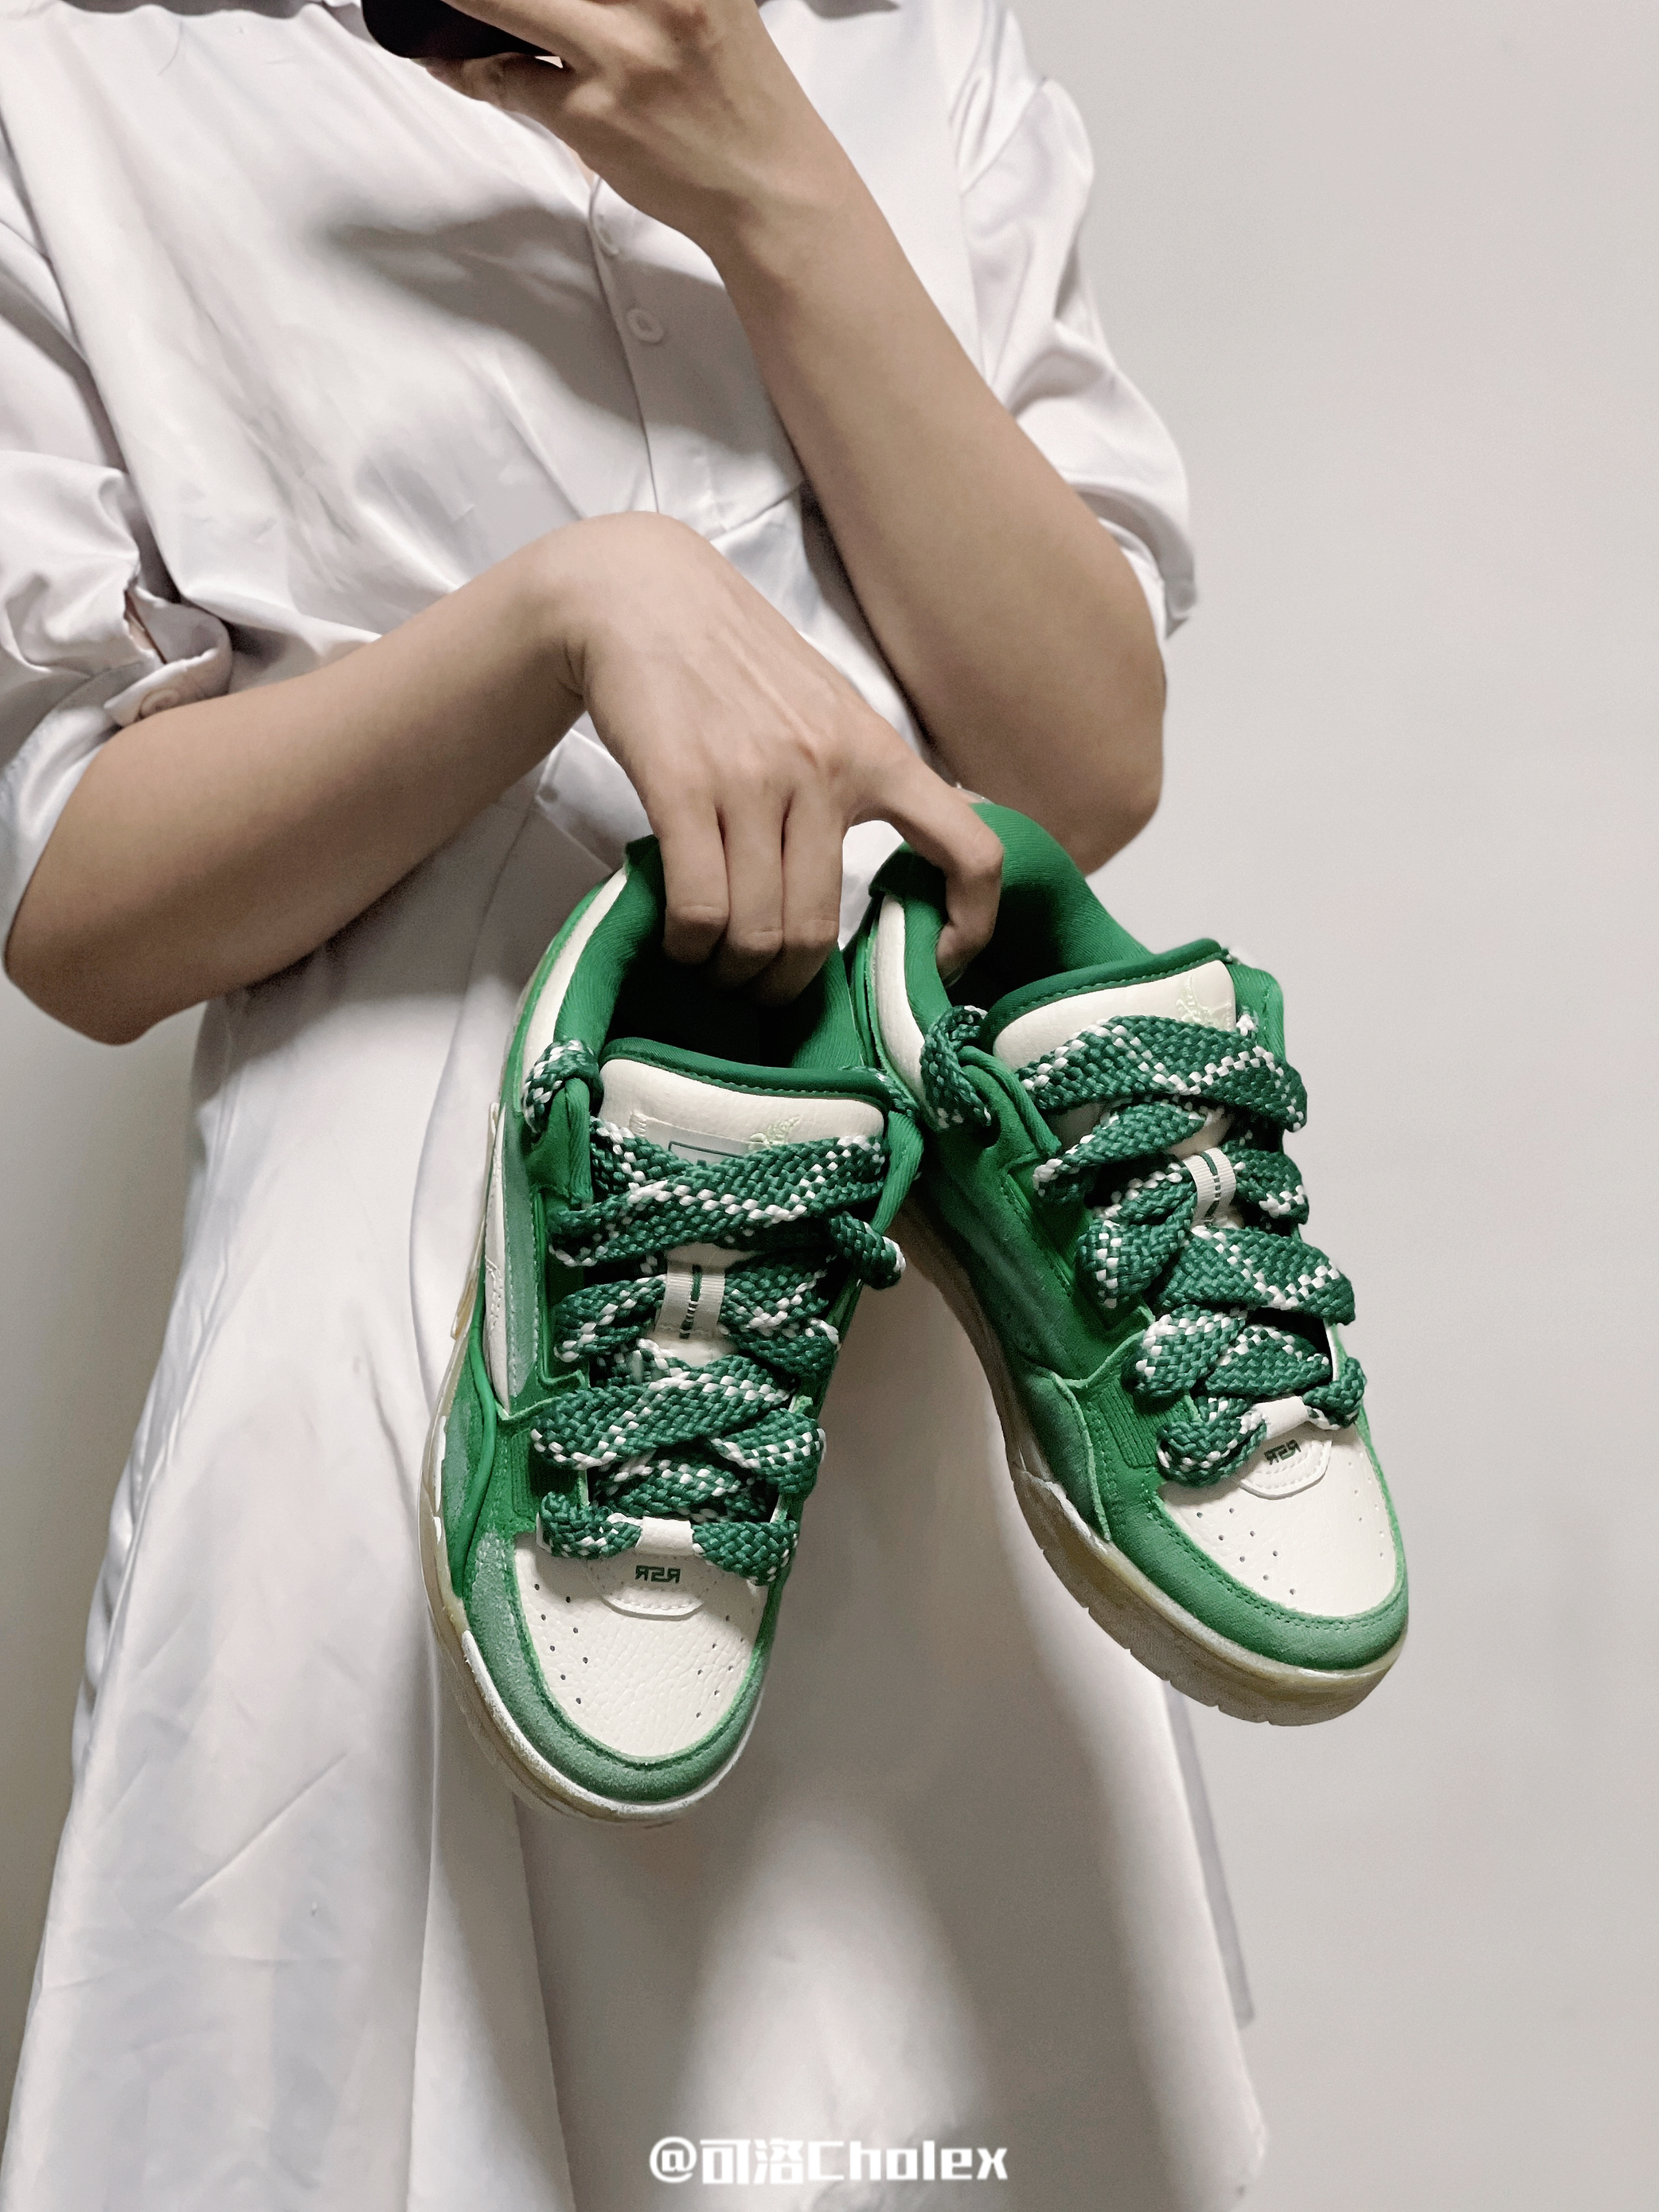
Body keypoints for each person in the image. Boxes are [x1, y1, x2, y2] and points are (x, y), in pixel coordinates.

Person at [0, 0, 1263, 2202]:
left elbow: (1079, 760)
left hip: (914, 1318)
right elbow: (78, 907)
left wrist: (758, 157)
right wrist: (559, 620)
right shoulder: (76, 76)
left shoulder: (898, 39)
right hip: (399, 1360)